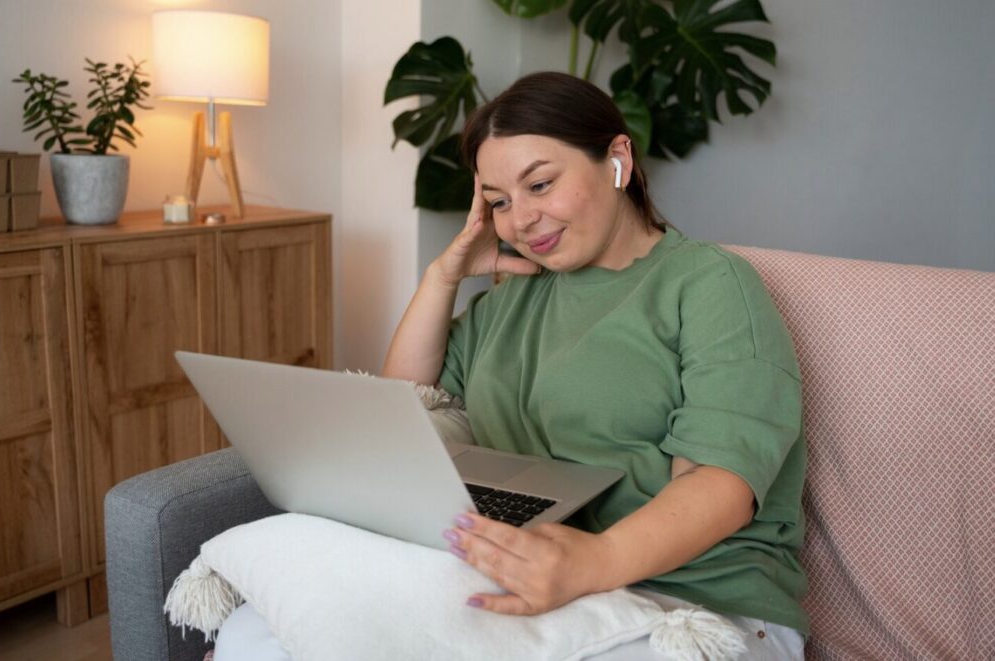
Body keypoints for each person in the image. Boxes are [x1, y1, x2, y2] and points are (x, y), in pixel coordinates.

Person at [215, 71, 807, 660]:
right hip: (539, 582)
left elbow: (720, 484)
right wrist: (442, 277)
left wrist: (591, 562)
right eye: (499, 201)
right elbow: (404, 413)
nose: (520, 220)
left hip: (693, 605)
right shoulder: (514, 297)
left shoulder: (709, 283)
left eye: (541, 184)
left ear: (617, 158)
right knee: (259, 635)